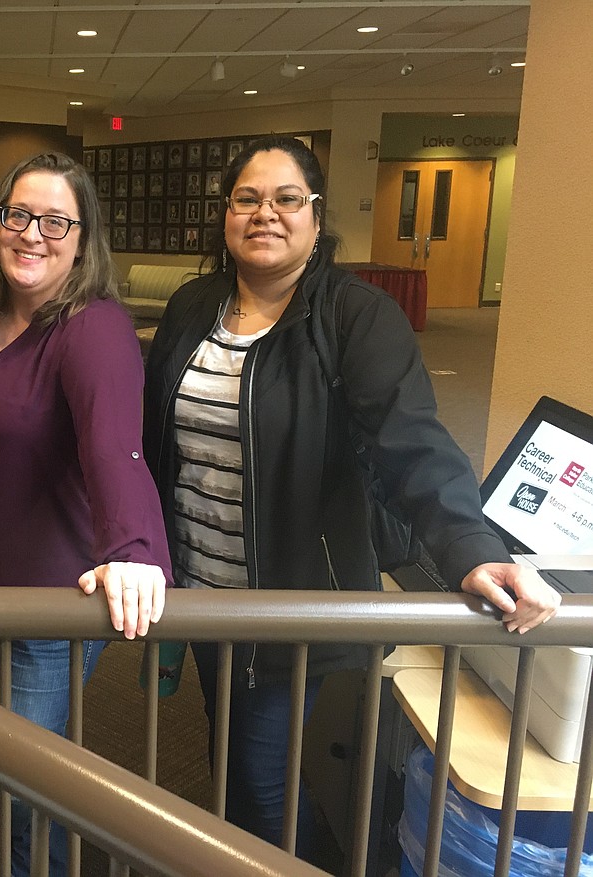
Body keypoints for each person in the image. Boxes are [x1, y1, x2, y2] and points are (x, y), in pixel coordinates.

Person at [142, 135, 561, 861]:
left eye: (285, 199)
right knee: (230, 757)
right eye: (247, 198)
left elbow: (414, 441)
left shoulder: (354, 316)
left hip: (292, 597)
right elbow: (154, 434)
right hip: (200, 588)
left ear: (314, 214)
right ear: (226, 214)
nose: (264, 213)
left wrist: (471, 546)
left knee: (261, 781)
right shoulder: (192, 305)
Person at [0, 152, 172, 877]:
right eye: (19, 214)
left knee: (23, 785)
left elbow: (114, 447)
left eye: (56, 220)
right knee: (3, 768)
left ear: (83, 236)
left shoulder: (91, 327)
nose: (34, 232)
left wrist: (132, 547)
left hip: (45, 602)